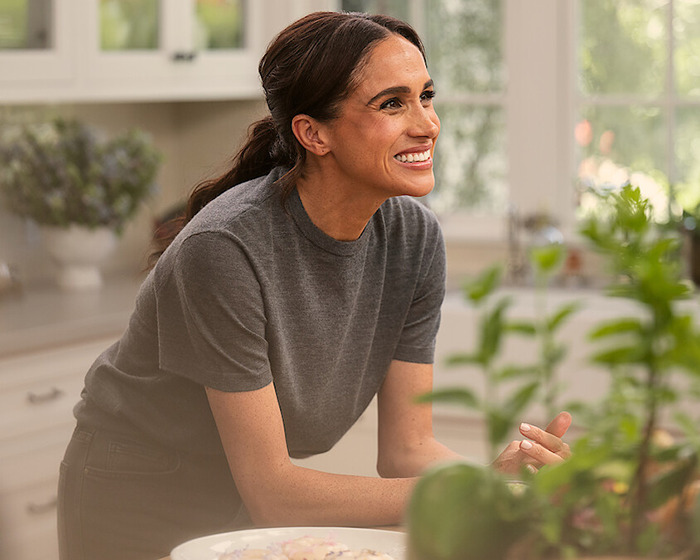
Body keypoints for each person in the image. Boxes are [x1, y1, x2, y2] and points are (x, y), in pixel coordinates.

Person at [57, 11, 572, 560]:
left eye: (426, 95)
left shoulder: (413, 239)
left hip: (246, 495)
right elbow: (275, 494)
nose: (427, 123)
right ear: (313, 133)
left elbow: (406, 449)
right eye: (392, 103)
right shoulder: (226, 249)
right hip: (136, 490)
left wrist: (512, 489)